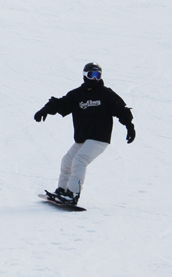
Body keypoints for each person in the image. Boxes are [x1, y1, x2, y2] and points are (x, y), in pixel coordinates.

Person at [34, 62, 135, 206]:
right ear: (84, 75)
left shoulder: (106, 94)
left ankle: (73, 194)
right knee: (67, 161)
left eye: (97, 75)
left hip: (100, 138)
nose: (94, 79)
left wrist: (129, 126)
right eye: (91, 75)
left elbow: (122, 109)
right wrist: (45, 110)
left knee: (79, 160)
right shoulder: (77, 95)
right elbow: (60, 103)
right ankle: (62, 190)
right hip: (83, 139)